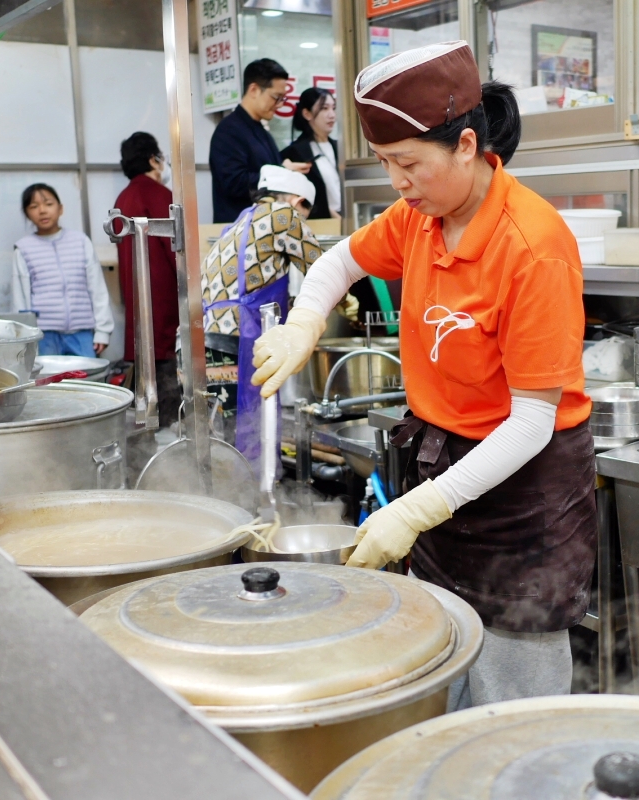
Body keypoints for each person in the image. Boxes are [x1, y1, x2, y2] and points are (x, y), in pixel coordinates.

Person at [251, 42, 595, 710]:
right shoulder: (420, 218)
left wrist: (421, 506)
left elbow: (532, 422)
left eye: (409, 165)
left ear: (467, 144)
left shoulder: (533, 246)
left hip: (523, 489)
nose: (398, 185)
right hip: (444, 467)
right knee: (444, 658)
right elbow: (336, 265)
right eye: (387, 166)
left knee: (512, 695)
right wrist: (304, 322)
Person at [200, 165, 324, 470]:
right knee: (247, 435)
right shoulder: (283, 215)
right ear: (298, 201)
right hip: (237, 340)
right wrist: (349, 303)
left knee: (220, 438)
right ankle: (254, 507)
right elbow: (323, 270)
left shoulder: (241, 222)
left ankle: (225, 506)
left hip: (204, 341)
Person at [113, 132, 181, 427]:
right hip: (164, 306)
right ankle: (170, 435)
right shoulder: (161, 196)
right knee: (168, 380)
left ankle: (149, 437)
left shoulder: (123, 198)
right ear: (154, 159)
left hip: (138, 306)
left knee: (145, 382)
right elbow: (177, 253)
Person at [11, 184, 113, 357]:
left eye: (48, 204)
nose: (42, 211)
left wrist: (103, 331)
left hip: (82, 334)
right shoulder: (23, 249)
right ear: (27, 213)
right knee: (48, 383)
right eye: (34, 207)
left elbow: (97, 289)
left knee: (86, 381)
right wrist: (24, 339)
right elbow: (20, 299)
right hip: (43, 336)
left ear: (60, 208)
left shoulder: (81, 242)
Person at [209, 59, 310, 224]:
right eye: (276, 97)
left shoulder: (260, 130)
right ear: (254, 89)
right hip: (241, 234)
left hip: (264, 230)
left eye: (283, 99)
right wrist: (281, 171)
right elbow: (234, 183)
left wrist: (284, 172)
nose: (279, 105)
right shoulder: (229, 130)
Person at [280, 88, 341, 220]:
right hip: (319, 223)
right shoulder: (294, 153)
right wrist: (330, 213)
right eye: (324, 108)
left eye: (333, 108)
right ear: (307, 114)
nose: (332, 114)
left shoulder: (339, 147)